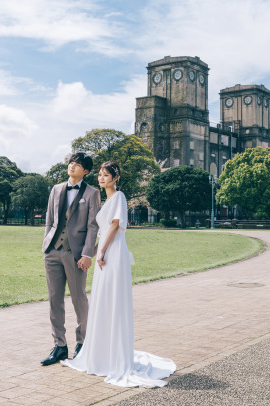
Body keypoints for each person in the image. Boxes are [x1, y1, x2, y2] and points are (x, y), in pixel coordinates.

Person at [62, 160, 176, 387]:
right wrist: (92, 252)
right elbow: (104, 230)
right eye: (100, 175)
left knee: (113, 298)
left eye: (106, 175)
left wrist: (102, 251)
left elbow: (115, 225)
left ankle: (115, 356)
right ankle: (102, 353)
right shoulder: (106, 200)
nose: (101, 178)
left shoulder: (119, 197)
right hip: (105, 252)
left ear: (115, 178)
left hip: (114, 254)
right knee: (103, 299)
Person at [41, 152, 100, 366]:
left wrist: (87, 254)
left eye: (78, 164)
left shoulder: (92, 193)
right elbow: (50, 220)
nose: (72, 166)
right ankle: (59, 346)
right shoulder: (56, 189)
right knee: (54, 299)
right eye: (71, 163)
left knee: (79, 299)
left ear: (86, 171)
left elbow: (93, 226)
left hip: (76, 255)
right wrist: (47, 245)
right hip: (53, 252)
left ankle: (83, 343)